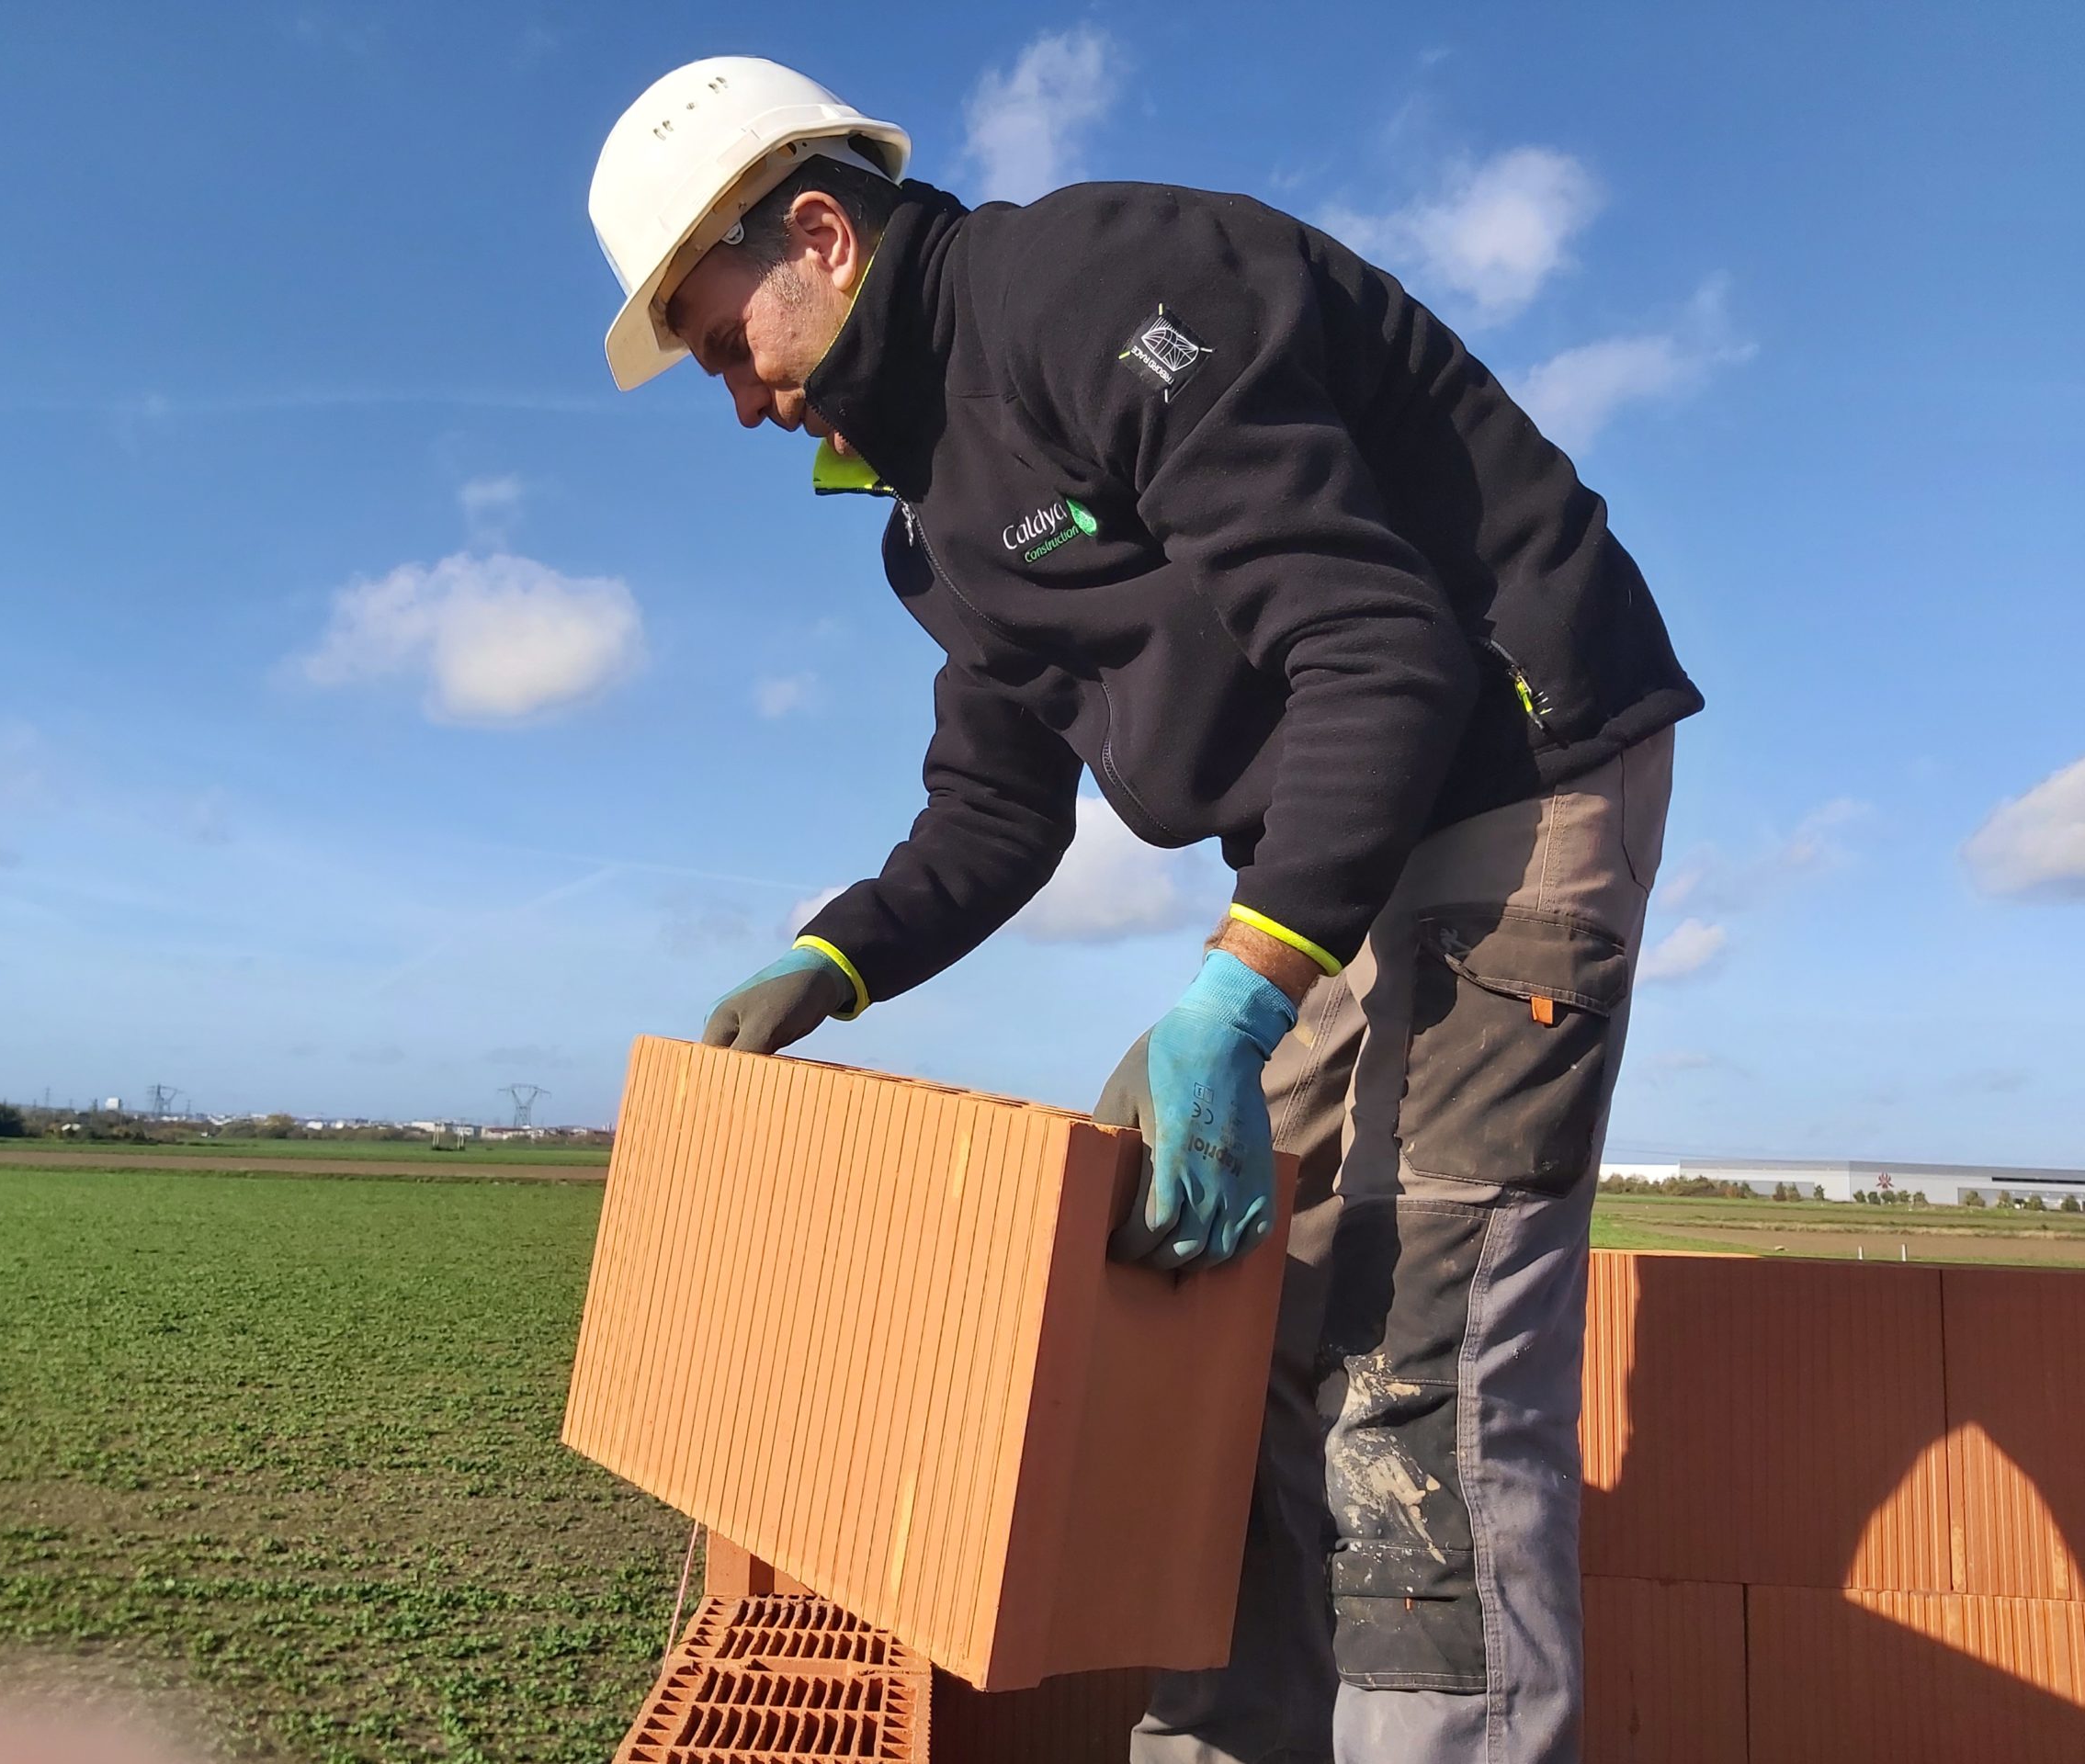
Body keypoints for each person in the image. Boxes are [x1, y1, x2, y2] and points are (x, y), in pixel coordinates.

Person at [589, 56, 1701, 1764]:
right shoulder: (927, 518)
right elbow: (992, 808)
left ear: (818, 234)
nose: (735, 400)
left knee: (1421, 1356)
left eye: (725, 341)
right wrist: (835, 956)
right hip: (1333, 843)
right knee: (1245, 1318)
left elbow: (1380, 647)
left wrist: (1237, 994)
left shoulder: (1096, 289)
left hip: (1509, 761)